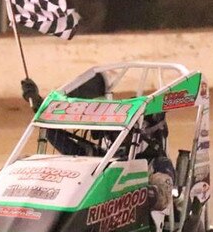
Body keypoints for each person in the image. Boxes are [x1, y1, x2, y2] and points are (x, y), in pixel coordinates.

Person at [21, 77, 175, 212]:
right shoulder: (102, 157)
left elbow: (162, 197)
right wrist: (38, 106)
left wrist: (142, 192)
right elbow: (58, 138)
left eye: (125, 130)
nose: (117, 135)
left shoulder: (158, 164)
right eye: (115, 130)